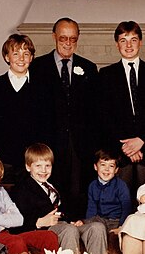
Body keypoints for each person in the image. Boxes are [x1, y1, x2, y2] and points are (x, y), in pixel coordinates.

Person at [29, 17, 99, 218]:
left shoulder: (89, 68)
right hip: (49, 141)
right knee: (51, 186)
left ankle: (76, 228)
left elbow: (95, 111)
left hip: (80, 143)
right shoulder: (37, 67)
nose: (68, 43)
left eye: (73, 39)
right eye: (63, 38)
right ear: (54, 37)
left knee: (78, 189)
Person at [99, 21, 145, 197]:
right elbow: (104, 115)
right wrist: (127, 147)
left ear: (141, 42)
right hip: (120, 153)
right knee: (121, 206)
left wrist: (141, 140)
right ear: (117, 44)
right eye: (123, 40)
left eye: (133, 39)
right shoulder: (106, 75)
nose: (128, 45)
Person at [10, 143, 107, 254]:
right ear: (28, 167)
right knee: (69, 230)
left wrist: (73, 220)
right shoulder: (22, 189)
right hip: (45, 228)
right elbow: (16, 220)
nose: (43, 170)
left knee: (97, 227)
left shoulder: (54, 184)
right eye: (38, 166)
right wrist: (38, 222)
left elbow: (66, 207)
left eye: (47, 166)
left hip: (64, 223)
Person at [0, 34, 37, 183]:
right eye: (16, 53)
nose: (21, 58)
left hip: (32, 162)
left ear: (31, 58)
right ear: (7, 57)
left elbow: (48, 124)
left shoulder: (42, 87)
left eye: (26, 54)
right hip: (2, 161)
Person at [84, 149, 132, 233]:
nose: (107, 169)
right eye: (103, 165)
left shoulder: (121, 185)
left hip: (116, 220)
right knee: (89, 226)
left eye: (111, 166)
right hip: (100, 220)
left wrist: (122, 226)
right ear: (95, 167)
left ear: (116, 170)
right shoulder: (92, 185)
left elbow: (126, 207)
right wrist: (87, 223)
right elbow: (91, 208)